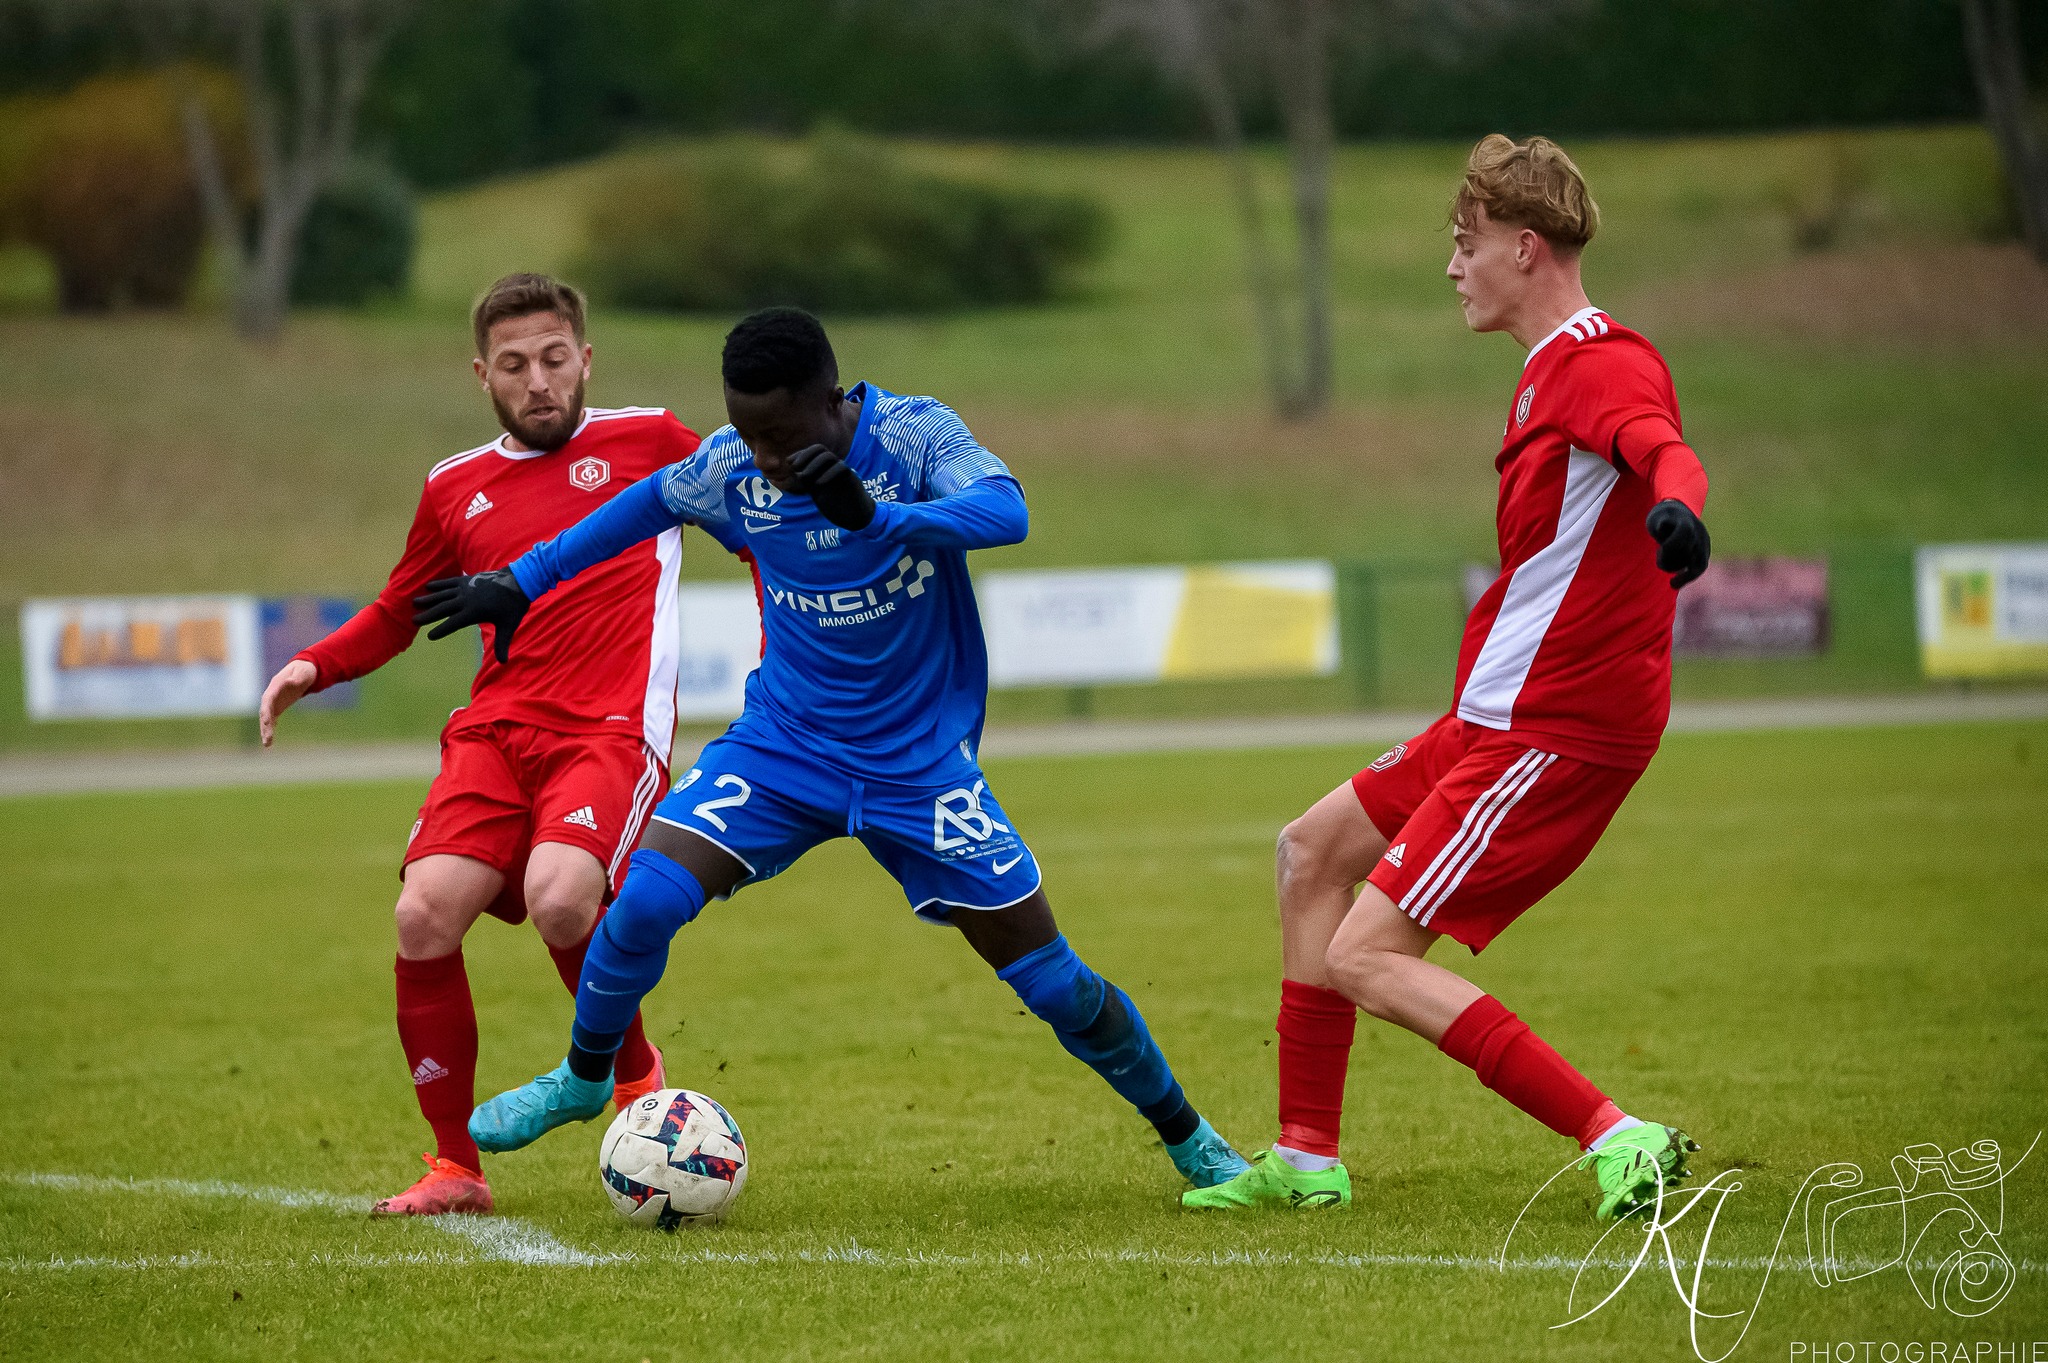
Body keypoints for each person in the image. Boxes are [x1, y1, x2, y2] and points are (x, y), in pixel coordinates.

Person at [413, 307, 1249, 1192]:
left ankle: (1193, 1139)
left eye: (781, 432)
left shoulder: (916, 433)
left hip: (917, 766)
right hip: (784, 748)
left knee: (1055, 985)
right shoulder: (734, 466)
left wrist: (880, 516)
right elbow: (643, 505)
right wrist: (521, 580)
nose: (765, 456)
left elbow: (1007, 510)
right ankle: (587, 1077)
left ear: (831, 397)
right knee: (644, 900)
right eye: (747, 431)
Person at [1183, 135, 1713, 1219]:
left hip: (1550, 727)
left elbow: (1663, 448)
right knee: (1308, 852)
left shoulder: (1596, 358)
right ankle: (1306, 1155)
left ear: (1525, 249)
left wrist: (1681, 510)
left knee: (1365, 956)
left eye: (1464, 244)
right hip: (1488, 717)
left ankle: (1620, 1136)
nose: (1451, 266)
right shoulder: (1543, 375)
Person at [260, 273, 697, 1216]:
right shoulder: (455, 485)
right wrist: (315, 667)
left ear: (585, 358)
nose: (537, 381)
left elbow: (760, 517)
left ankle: (632, 1078)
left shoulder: (655, 443)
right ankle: (455, 1168)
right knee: (422, 917)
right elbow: (395, 609)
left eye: (552, 358)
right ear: (482, 376)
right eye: (513, 365)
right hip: (495, 733)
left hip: (610, 729)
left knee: (561, 898)